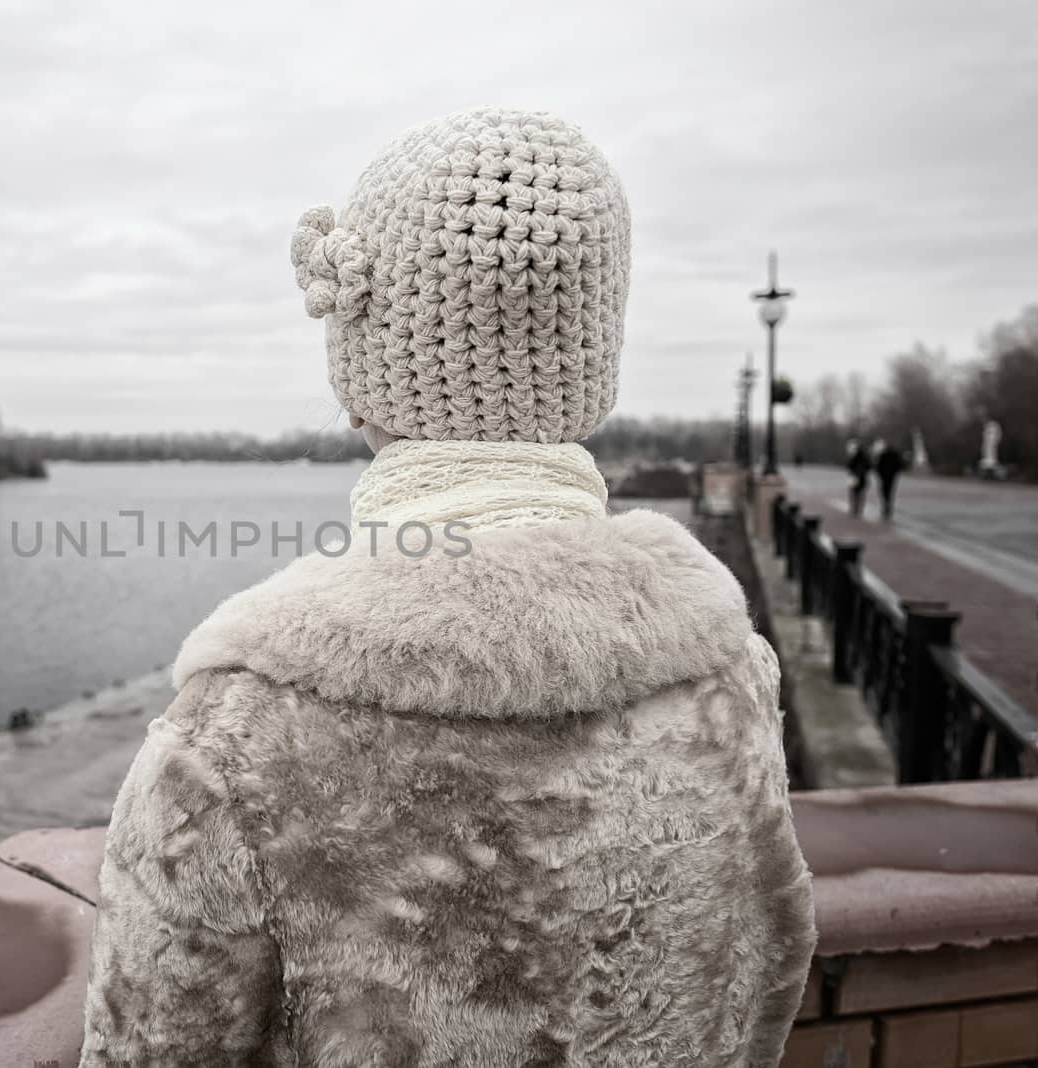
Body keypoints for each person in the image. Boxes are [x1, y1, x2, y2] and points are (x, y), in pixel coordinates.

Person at [81, 107, 815, 1067]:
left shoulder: (239, 735)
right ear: (591, 357)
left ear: (362, 364)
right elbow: (768, 972)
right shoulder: (728, 673)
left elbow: (151, 1048)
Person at [874, 437, 904, 520]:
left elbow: (878, 466)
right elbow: (899, 465)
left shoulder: (883, 454)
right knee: (889, 491)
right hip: (891, 476)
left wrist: (879, 474)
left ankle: (886, 506)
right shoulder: (894, 454)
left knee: (884, 491)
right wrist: (895, 473)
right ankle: (888, 506)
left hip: (884, 476)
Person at [845, 437, 872, 517]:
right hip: (861, 477)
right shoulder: (865, 456)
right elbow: (869, 466)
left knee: (854, 493)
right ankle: (858, 509)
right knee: (860, 494)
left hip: (854, 477)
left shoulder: (854, 456)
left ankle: (854, 508)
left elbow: (849, 466)